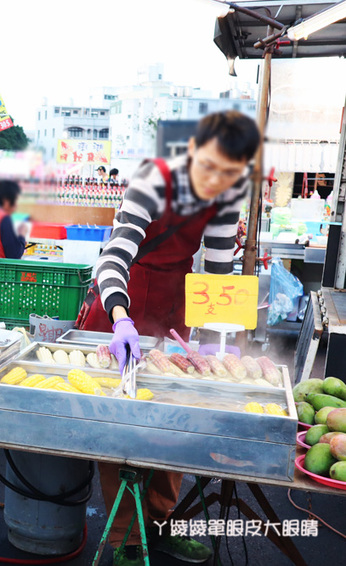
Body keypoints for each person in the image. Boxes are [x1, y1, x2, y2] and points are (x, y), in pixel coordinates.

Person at [76, 111, 260, 566]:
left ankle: (158, 526)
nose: (217, 180)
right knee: (124, 423)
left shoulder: (228, 191)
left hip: (175, 306)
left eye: (229, 173)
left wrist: (219, 339)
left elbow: (217, 270)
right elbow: (113, 257)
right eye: (211, 168)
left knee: (177, 416)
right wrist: (121, 319)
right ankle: (125, 539)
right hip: (125, 298)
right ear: (193, 152)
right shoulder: (152, 179)